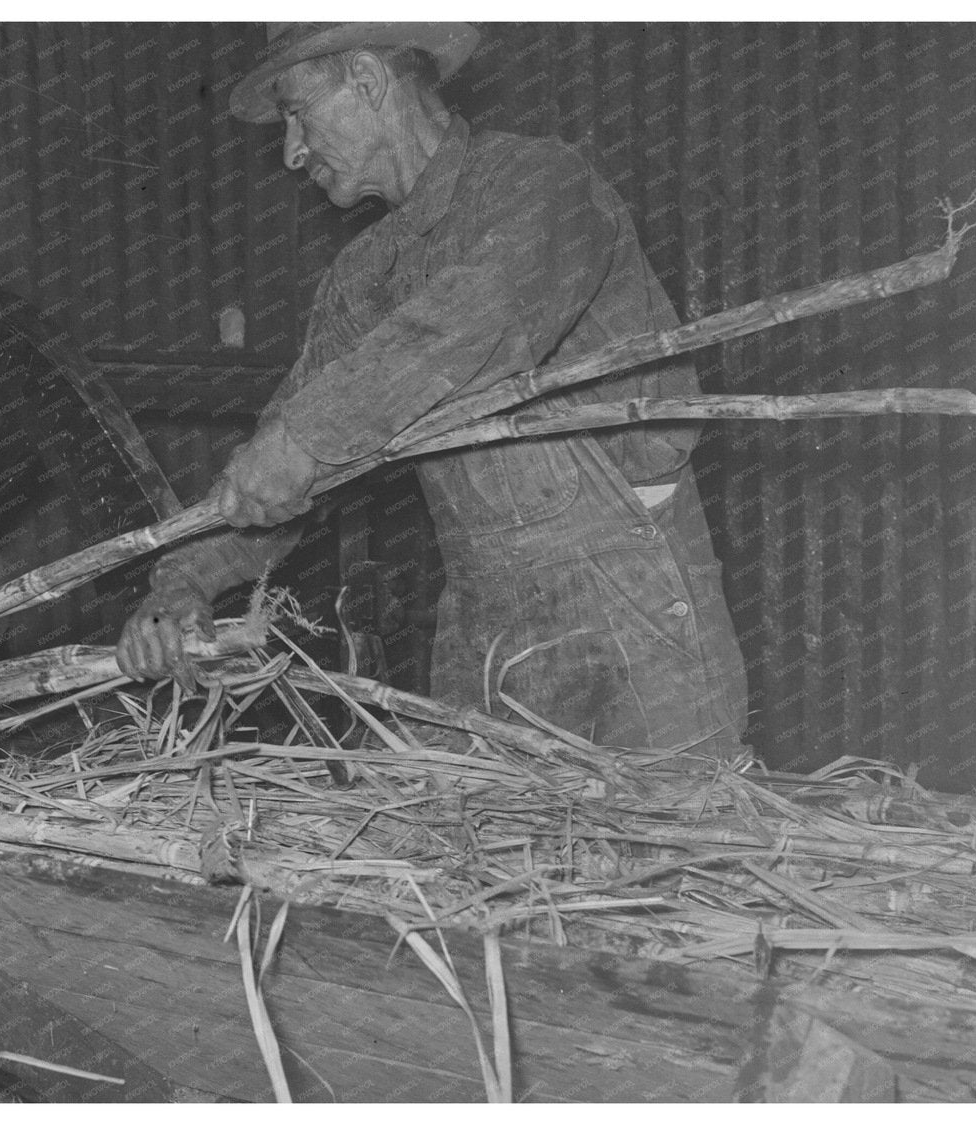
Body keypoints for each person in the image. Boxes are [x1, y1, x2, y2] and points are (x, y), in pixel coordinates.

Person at [117, 23, 748, 755]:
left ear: (367, 77)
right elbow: (275, 475)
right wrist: (183, 583)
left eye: (296, 111)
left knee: (659, 848)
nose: (291, 151)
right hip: (488, 628)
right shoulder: (363, 278)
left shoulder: (540, 183)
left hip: (630, 606)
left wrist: (305, 439)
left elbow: (476, 320)